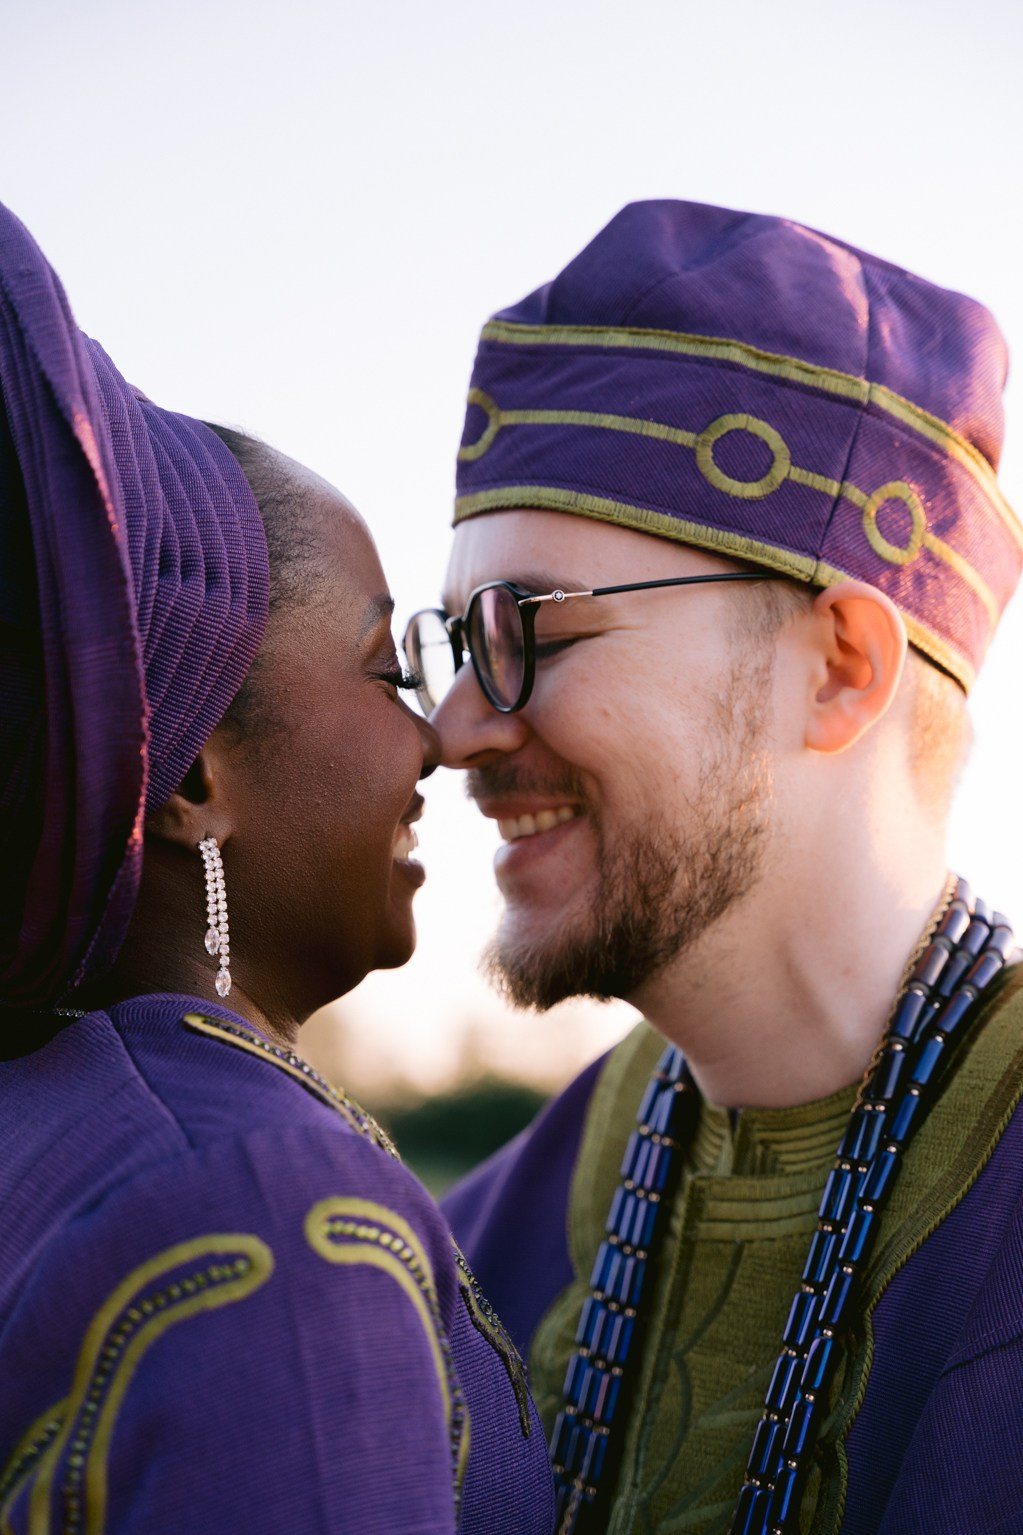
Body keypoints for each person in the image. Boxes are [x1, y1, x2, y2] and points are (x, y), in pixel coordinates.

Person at [405, 201, 1023, 1534]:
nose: (453, 728)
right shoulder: (479, 1243)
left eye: (528, 630)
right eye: (454, 641)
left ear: (842, 668)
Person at [0, 201, 553, 1533]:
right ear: (191, 779)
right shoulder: (261, 1204)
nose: (434, 736)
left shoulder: (65, 1120)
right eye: (384, 668)